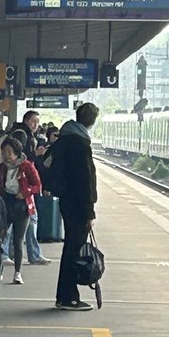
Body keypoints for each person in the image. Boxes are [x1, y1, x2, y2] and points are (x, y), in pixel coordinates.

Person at [46, 101, 99, 312]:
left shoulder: (65, 139)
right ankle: (68, 297)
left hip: (66, 201)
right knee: (73, 250)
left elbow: (47, 163)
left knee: (70, 248)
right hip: (77, 204)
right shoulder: (80, 143)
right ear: (92, 121)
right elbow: (84, 180)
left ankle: (64, 296)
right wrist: (89, 212)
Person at [0, 137, 42, 284]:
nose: (6, 155)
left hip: (21, 205)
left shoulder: (27, 166)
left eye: (9, 152)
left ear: (17, 153)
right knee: (0, 238)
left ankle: (17, 272)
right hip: (5, 204)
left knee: (18, 240)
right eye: (4, 152)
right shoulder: (1, 168)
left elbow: (37, 185)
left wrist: (26, 192)